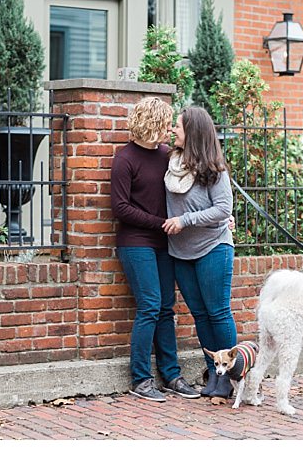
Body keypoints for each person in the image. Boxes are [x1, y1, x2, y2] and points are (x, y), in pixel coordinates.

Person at [110, 97, 200, 402]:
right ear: (152, 123)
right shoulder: (125, 159)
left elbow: (193, 188)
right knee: (149, 305)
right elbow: (120, 208)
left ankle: (171, 375)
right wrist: (160, 222)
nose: (170, 129)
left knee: (165, 308)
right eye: (166, 123)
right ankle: (141, 379)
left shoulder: (167, 156)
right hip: (136, 244)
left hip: (165, 243)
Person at [162, 106, 237, 399]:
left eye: (177, 127)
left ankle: (233, 377)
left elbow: (223, 210)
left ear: (192, 132)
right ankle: (214, 374)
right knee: (200, 315)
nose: (173, 131)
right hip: (181, 252)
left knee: (218, 313)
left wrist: (185, 220)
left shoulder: (213, 169)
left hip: (213, 247)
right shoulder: (172, 163)